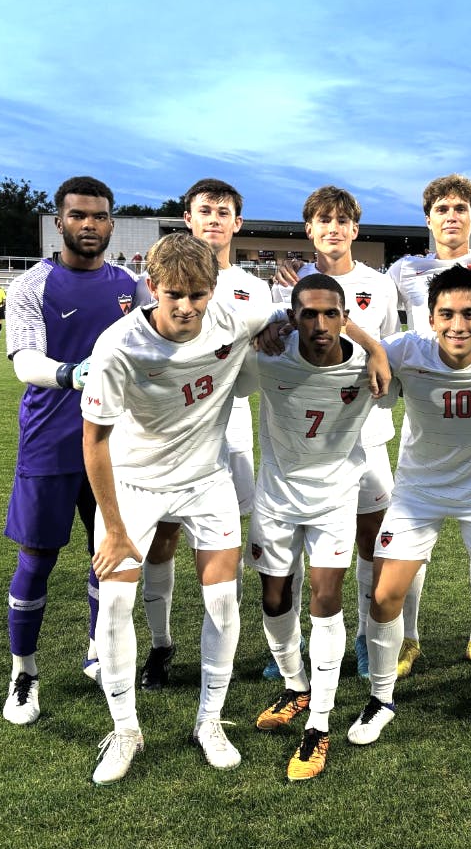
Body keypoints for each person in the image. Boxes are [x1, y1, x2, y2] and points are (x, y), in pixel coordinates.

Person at [82, 232, 287, 783]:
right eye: (174, 293)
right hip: (134, 484)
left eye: (197, 294)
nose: (186, 306)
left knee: (223, 600)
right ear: (152, 288)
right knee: (116, 605)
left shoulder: (234, 317)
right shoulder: (119, 345)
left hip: (205, 480)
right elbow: (94, 442)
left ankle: (209, 720)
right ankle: (125, 730)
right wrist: (116, 531)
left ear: (214, 290)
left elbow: (299, 309)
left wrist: (370, 346)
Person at [347, 265, 471, 748]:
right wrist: (367, 342)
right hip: (418, 494)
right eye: (447, 314)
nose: (458, 325)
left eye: (469, 314)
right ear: (430, 319)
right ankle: (381, 698)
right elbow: (357, 350)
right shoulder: (406, 350)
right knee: (385, 595)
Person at [2, 176, 147, 726]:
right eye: (79, 216)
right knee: (37, 558)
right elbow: (24, 362)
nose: (90, 225)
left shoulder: (132, 284)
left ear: (111, 223)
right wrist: (71, 373)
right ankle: (24, 673)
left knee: (107, 549)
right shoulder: (31, 285)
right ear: (59, 221)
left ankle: (97, 649)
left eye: (100, 216)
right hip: (51, 440)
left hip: (116, 441)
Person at [241, 273, 380, 780]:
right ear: (291, 316)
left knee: (325, 600)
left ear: (345, 316)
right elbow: (227, 332)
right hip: (276, 500)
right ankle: (296, 685)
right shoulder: (269, 357)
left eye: (331, 313)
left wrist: (375, 346)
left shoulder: (369, 365)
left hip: (335, 499)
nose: (320, 324)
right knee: (275, 601)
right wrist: (267, 324)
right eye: (308, 314)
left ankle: (318, 724)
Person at [138, 178, 272, 691]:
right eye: (204, 210)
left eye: (224, 211)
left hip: (229, 433)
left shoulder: (255, 290)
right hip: (166, 440)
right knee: (162, 541)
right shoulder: (150, 282)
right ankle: (161, 644)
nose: (213, 218)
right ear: (187, 219)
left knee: (225, 548)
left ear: (237, 223)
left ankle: (223, 654)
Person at [271, 186, 400, 684]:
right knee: (299, 538)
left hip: (365, 430)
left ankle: (368, 638)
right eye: (323, 220)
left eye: (343, 220)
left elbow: (383, 347)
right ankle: (296, 641)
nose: (333, 228)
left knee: (372, 534)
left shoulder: (379, 285)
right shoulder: (290, 285)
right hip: (304, 434)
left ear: (355, 230)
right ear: (309, 229)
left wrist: (374, 351)